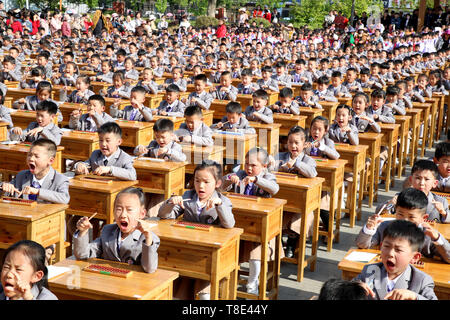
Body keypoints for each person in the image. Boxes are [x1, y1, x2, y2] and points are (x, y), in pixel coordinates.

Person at [158, 160, 235, 299]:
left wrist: (219, 206)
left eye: (206, 182)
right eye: (197, 181)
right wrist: (170, 203)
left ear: (217, 183)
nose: (201, 186)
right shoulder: (188, 196)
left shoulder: (223, 200)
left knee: (203, 289)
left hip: (207, 253)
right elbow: (163, 215)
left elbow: (229, 224)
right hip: (185, 248)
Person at [73, 187, 160, 273]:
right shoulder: (108, 231)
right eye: (119, 209)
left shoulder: (148, 238)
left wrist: (148, 238)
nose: (123, 215)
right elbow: (82, 255)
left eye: (129, 210)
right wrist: (82, 232)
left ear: (142, 214)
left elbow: (149, 268)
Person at [355, 220, 437, 300]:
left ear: (414, 257)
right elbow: (345, 290)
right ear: (381, 246)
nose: (390, 253)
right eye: (386, 246)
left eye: (398, 250)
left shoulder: (421, 280)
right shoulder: (370, 271)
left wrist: (414, 296)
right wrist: (355, 289)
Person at [271, 126, 318, 257]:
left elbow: (312, 173)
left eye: (297, 143)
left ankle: (291, 245)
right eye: (290, 142)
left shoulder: (308, 160)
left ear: (304, 144)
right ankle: (278, 246)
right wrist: (277, 166)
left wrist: (296, 164)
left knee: (302, 218)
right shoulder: (280, 156)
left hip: (300, 202)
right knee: (273, 218)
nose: (293, 146)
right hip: (281, 200)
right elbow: (269, 169)